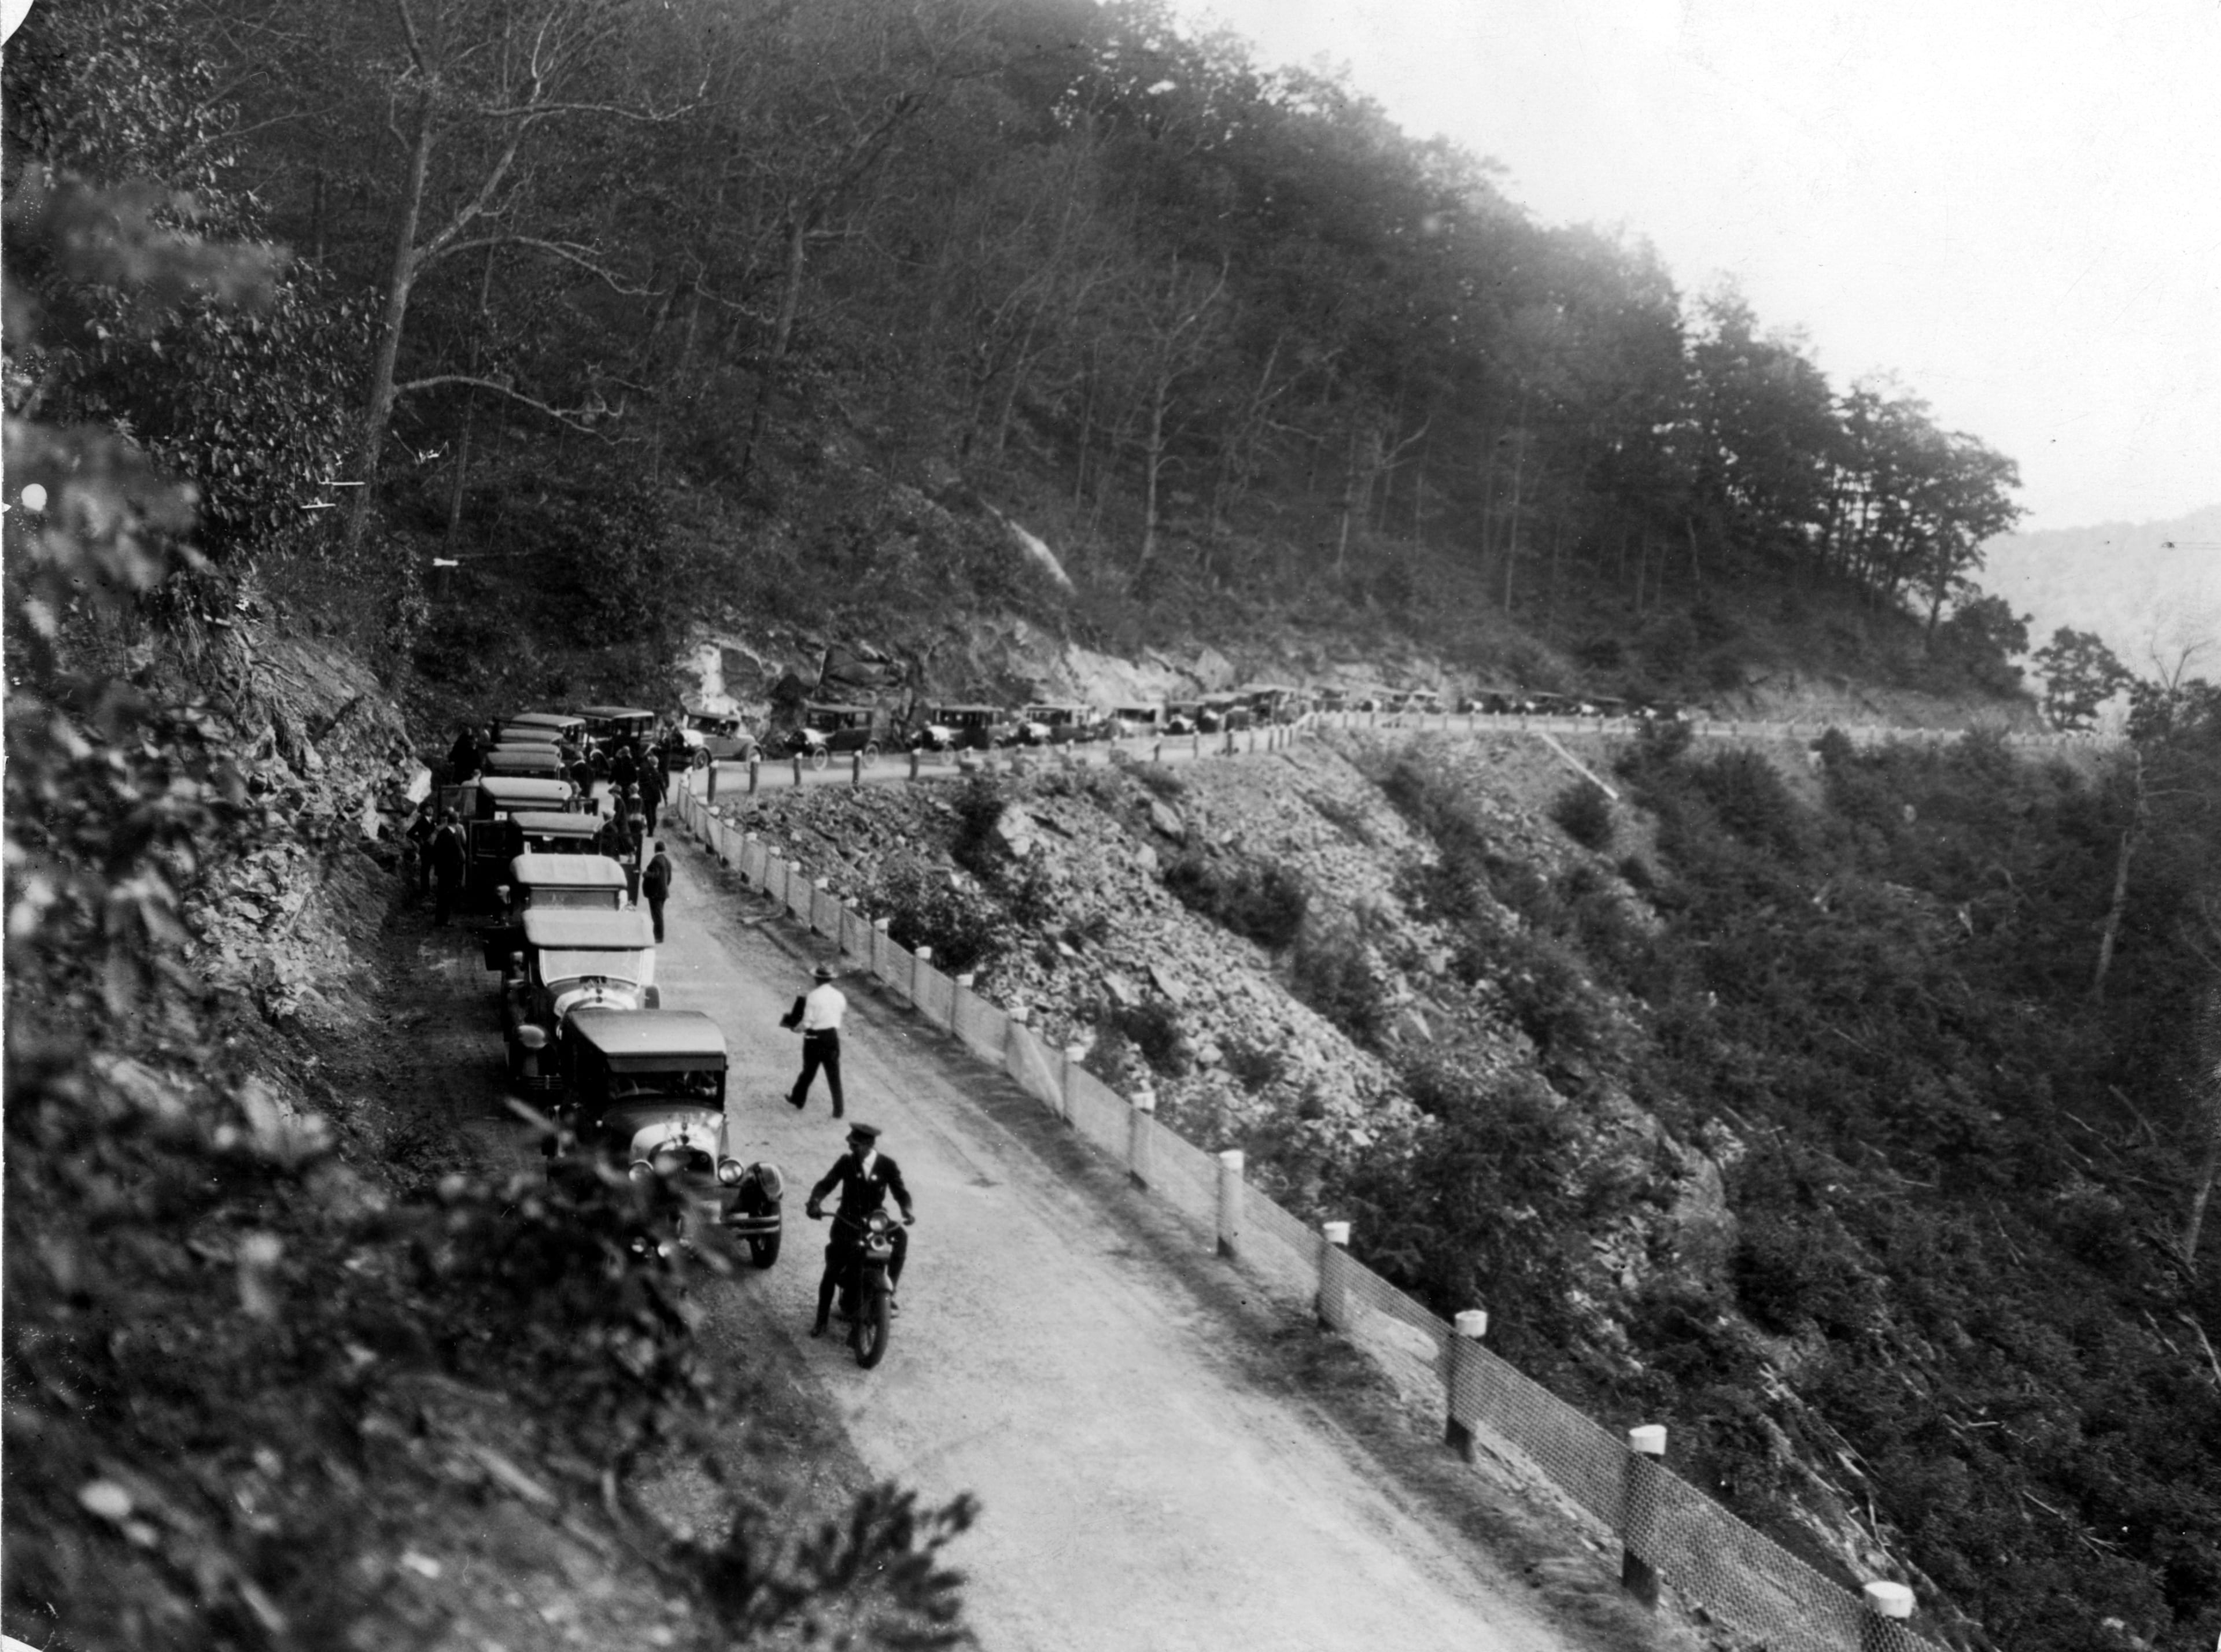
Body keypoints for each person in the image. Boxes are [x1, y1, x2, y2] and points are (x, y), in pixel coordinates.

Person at [805, 1122, 913, 1332]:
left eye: (855, 1145)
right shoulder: (847, 1162)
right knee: (832, 1270)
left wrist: (907, 1210)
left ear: (868, 1144)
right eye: (850, 1145)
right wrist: (815, 1202)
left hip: (875, 1222)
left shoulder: (887, 1165)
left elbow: (901, 1192)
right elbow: (826, 1184)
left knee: (900, 1237)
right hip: (847, 1221)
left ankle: (889, 1292)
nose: (851, 1149)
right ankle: (821, 1320)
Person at [784, 963, 847, 1115]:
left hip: (814, 1038)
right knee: (834, 1074)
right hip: (832, 1037)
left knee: (809, 1071)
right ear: (831, 979)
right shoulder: (839, 996)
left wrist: (795, 1028)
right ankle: (838, 1110)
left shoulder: (813, 997)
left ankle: (798, 1099)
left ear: (817, 979)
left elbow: (807, 1022)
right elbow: (842, 1011)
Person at [429, 810, 468, 925]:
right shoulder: (448, 835)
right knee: (445, 896)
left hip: (446, 870)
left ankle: (443, 919)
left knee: (445, 895)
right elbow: (444, 854)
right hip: (448, 870)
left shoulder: (447, 833)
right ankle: (442, 920)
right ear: (457, 822)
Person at [641, 840, 673, 943]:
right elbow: (669, 878)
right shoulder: (667, 861)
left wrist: (645, 873)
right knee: (659, 914)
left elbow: (655, 875)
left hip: (655, 892)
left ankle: (659, 937)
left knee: (657, 915)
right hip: (663, 892)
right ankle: (657, 935)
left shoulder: (656, 860)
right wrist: (665, 887)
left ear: (655, 849)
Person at [640, 751, 666, 834]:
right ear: (656, 764)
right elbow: (662, 787)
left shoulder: (645, 772)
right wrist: (665, 798)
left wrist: (641, 792)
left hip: (647, 795)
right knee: (654, 811)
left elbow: (641, 783)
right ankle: (654, 825)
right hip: (655, 796)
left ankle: (650, 831)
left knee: (648, 813)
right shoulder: (658, 774)